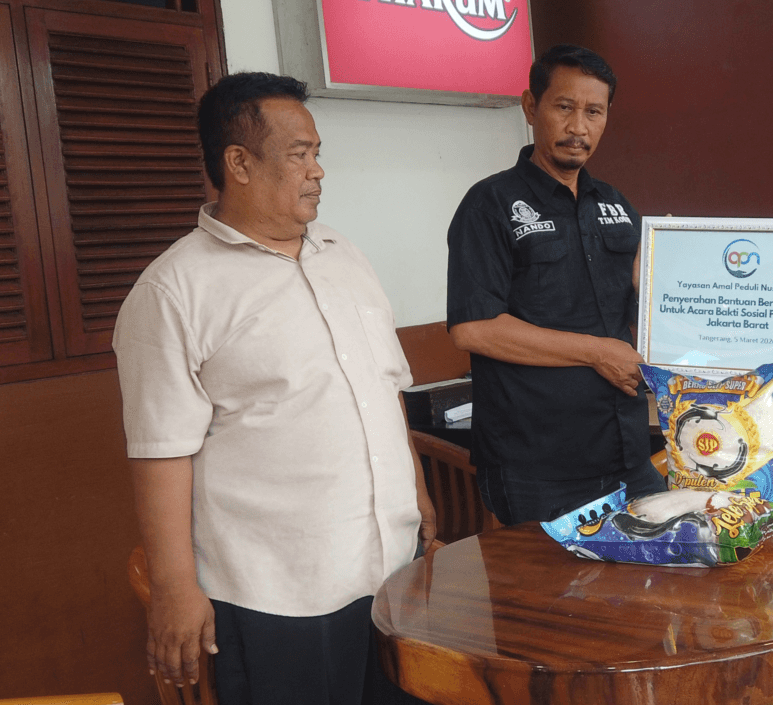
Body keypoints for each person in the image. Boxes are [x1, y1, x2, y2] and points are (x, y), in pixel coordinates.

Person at [113, 72, 435, 705]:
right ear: (239, 163)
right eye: (299, 154)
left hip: (392, 569)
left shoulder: (344, 256)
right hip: (281, 594)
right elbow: (161, 450)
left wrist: (418, 493)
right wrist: (175, 588)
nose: (318, 171)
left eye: (317, 153)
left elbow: (384, 388)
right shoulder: (173, 290)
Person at [446, 44, 666, 526]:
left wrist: (665, 290)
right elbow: (473, 328)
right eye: (564, 107)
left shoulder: (616, 205)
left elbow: (645, 310)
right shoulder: (489, 204)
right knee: (551, 582)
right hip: (538, 466)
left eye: (594, 112)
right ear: (531, 107)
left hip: (628, 454)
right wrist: (596, 352)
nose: (578, 127)